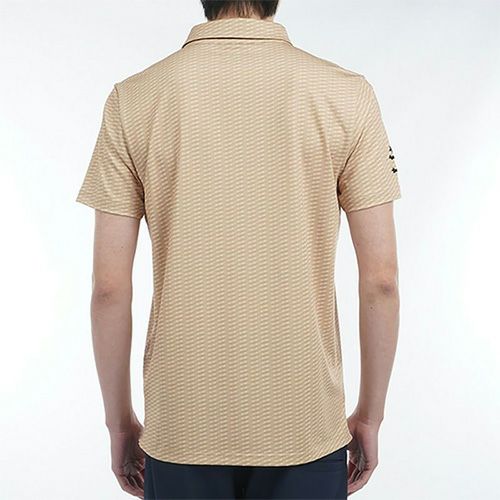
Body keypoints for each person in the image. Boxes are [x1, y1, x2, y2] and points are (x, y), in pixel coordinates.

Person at [75, 1, 402, 498]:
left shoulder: (134, 99)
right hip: (305, 422)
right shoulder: (346, 94)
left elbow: (109, 288)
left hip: (181, 422)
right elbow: (382, 281)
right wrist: (370, 415)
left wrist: (119, 422)